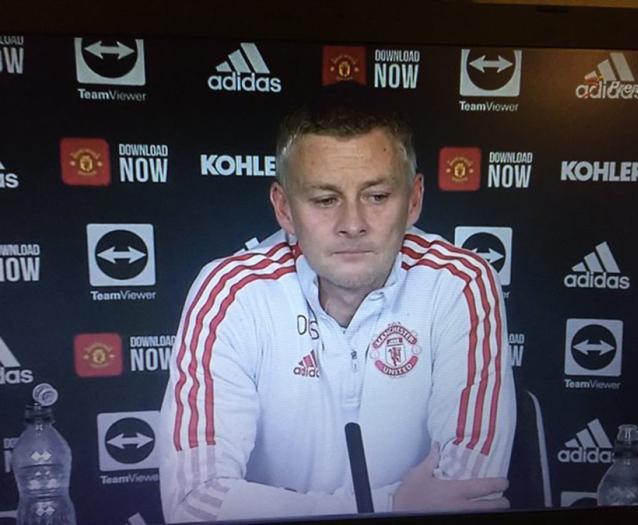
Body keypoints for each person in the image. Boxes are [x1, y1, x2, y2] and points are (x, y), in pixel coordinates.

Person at [158, 83, 516, 523]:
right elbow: (193, 503)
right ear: (284, 208)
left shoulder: (460, 283)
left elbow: (469, 493)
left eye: (377, 196)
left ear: (413, 201)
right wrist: (390, 507)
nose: (352, 224)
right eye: (326, 200)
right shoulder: (229, 292)